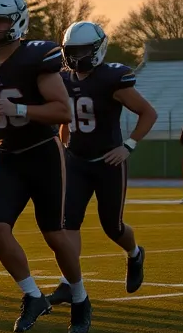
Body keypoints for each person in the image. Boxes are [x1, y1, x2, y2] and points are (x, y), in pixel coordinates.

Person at [0, 0, 86, 333]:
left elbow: (63, 111)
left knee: (53, 233)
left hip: (42, 153)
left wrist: (20, 109)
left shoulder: (37, 57)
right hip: (7, 157)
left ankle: (79, 296)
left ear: (17, 21)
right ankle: (32, 296)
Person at [54, 21, 158, 308]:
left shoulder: (111, 78)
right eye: (72, 51)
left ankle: (135, 253)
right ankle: (69, 283)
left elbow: (148, 113)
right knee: (68, 223)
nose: (77, 57)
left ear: (98, 49)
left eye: (84, 50)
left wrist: (129, 145)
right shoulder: (63, 79)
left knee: (112, 227)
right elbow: (66, 117)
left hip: (107, 162)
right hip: (76, 161)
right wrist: (64, 145)